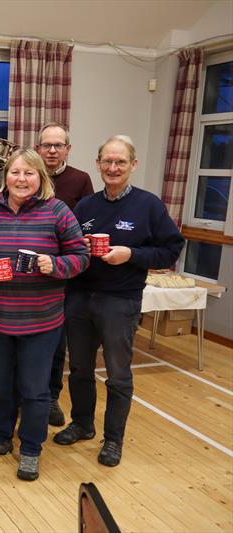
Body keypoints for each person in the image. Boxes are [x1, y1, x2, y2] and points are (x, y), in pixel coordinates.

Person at [54, 135, 184, 467]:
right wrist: (78, 246)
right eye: (107, 162)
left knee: (117, 373)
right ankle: (82, 424)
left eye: (120, 162)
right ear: (98, 164)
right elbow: (69, 246)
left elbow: (171, 248)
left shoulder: (148, 205)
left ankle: (113, 440)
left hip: (120, 300)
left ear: (132, 165)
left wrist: (131, 254)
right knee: (80, 368)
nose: (113, 168)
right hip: (81, 296)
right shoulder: (86, 206)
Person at [0, 149, 89, 481]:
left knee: (35, 390)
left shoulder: (57, 212)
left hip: (42, 321)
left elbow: (81, 255)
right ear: (4, 176)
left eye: (29, 173)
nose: (21, 179)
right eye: (15, 173)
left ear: (41, 178)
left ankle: (30, 448)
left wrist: (56, 265)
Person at [35, 122, 95, 427]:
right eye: (47, 145)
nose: (52, 150)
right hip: (27, 276)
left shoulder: (81, 180)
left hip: (62, 277)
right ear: (38, 148)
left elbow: (86, 227)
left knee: (56, 344)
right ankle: (27, 396)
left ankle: (49, 398)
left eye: (58, 145)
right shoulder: (27, 176)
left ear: (68, 149)